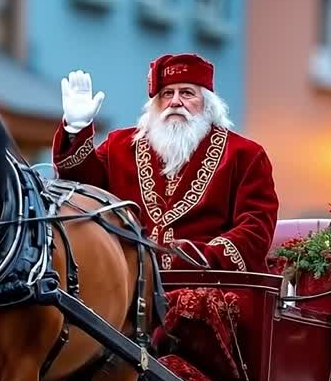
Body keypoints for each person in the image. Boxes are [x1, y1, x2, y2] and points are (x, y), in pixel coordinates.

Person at [52, 53, 279, 273]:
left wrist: (192, 259)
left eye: (187, 93)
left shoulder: (245, 155)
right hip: (131, 285)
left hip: (210, 282)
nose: (175, 102)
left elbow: (256, 228)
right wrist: (76, 129)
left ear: (208, 104)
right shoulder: (119, 146)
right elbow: (82, 190)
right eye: (166, 93)